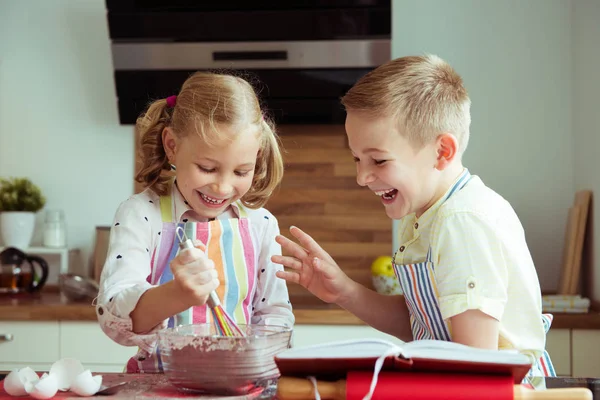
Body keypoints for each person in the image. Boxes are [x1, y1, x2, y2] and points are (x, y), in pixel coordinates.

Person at [272, 54, 555, 380]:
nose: (362, 177)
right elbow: (423, 325)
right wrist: (344, 291)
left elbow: (478, 366)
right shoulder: (427, 213)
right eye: (356, 159)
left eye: (378, 161)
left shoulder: (460, 221)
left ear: (442, 152)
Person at [96, 71, 294, 373]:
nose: (223, 188)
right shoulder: (140, 215)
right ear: (172, 145)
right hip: (157, 388)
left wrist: (256, 364)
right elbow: (115, 319)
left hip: (237, 387)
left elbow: (274, 313)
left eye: (241, 172)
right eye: (207, 167)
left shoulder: (260, 224)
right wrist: (177, 294)